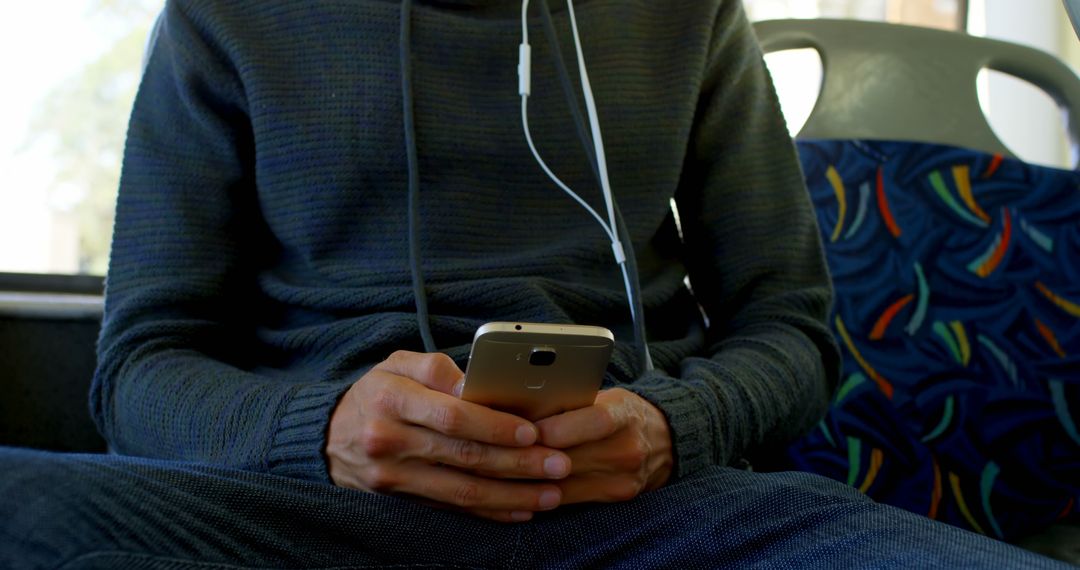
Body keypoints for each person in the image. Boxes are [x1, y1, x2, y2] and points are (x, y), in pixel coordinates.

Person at [0, 0, 1068, 567]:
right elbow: (135, 374)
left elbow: (793, 334)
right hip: (302, 515)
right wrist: (318, 428)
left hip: (655, 513)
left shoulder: (690, 15)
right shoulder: (224, 16)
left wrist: (669, 425)